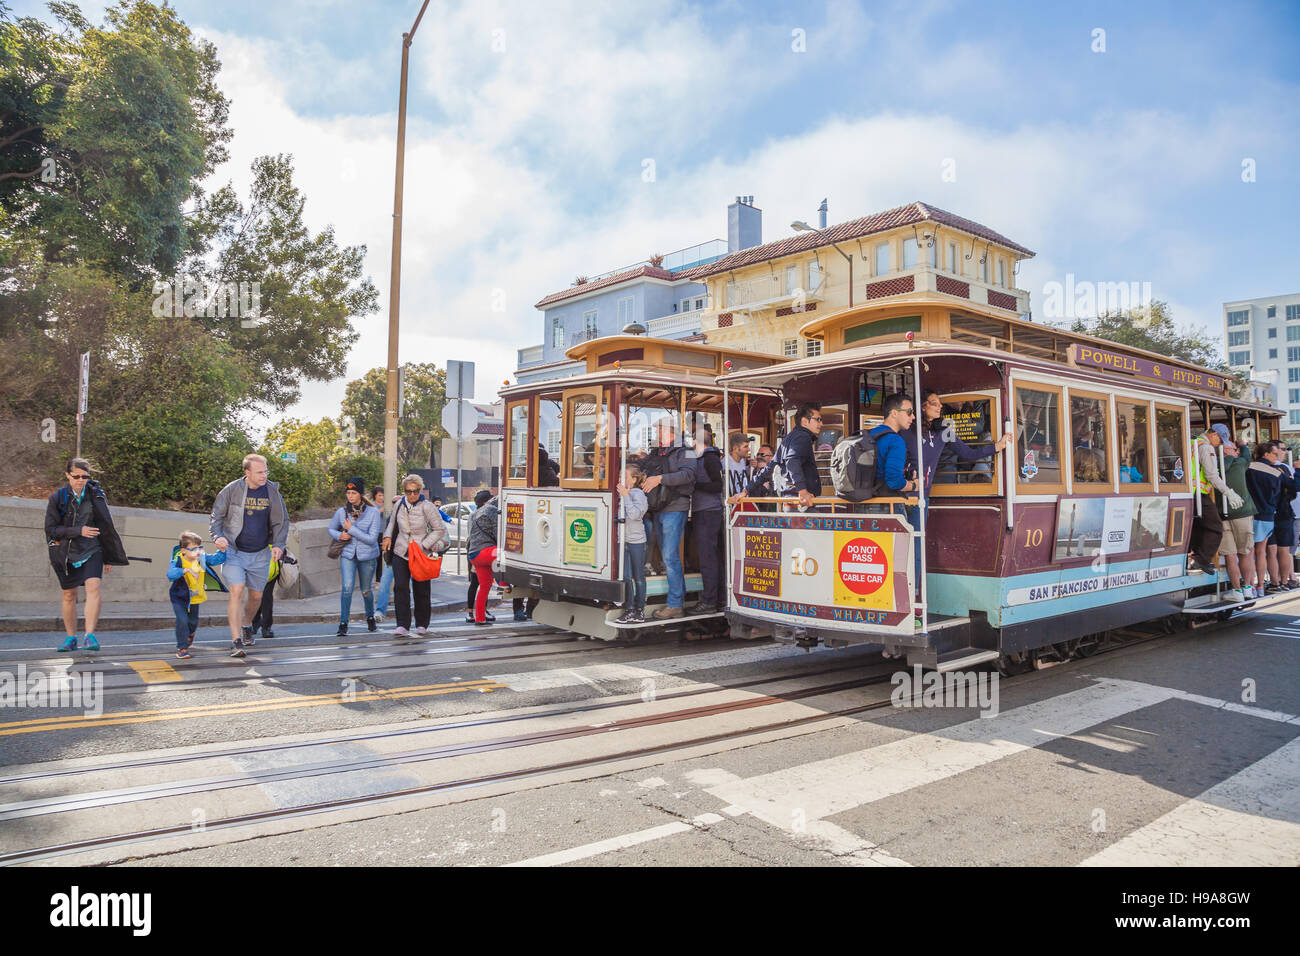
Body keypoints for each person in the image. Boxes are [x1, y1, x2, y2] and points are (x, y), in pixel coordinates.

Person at [209, 453, 289, 658]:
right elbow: (216, 517)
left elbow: (282, 521)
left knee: (256, 596)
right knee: (236, 590)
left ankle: (246, 625)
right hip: (234, 551)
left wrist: (278, 545)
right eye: (260, 472)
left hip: (261, 553)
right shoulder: (231, 490)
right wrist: (217, 536)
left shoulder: (272, 491)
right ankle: (236, 641)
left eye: (266, 471)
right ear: (247, 472)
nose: (264, 475)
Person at [48, 458, 128, 653]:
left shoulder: (96, 495)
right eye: (76, 476)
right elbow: (51, 529)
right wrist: (78, 531)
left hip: (93, 549)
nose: (81, 480)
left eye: (85, 476)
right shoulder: (57, 498)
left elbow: (106, 526)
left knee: (94, 586)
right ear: (67, 475)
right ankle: (70, 638)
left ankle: (89, 635)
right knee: (69, 595)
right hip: (66, 553)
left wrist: (109, 556)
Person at [903, 390, 1009, 497]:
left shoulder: (944, 432)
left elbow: (968, 454)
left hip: (924, 495)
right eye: (935, 403)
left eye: (940, 403)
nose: (940, 406)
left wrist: (997, 446)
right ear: (923, 407)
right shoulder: (907, 429)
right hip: (902, 493)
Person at [640, 417, 696, 620]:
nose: (656, 433)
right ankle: (675, 601)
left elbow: (689, 475)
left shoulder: (687, 449)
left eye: (658, 429)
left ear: (668, 430)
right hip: (659, 507)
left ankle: (675, 604)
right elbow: (641, 464)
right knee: (667, 557)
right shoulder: (657, 451)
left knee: (670, 557)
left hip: (675, 507)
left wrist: (659, 479)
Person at [382, 473, 447, 637]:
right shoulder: (399, 505)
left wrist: (424, 545)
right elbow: (391, 523)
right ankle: (402, 624)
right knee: (400, 587)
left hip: (420, 553)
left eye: (415, 491)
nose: (412, 495)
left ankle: (421, 623)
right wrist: (387, 537)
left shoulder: (428, 507)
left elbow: (439, 530)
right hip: (401, 551)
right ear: (404, 491)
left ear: (420, 490)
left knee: (421, 589)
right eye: (408, 491)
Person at [741, 402, 824, 508]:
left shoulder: (789, 439)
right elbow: (792, 461)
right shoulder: (803, 437)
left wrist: (746, 490)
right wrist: (802, 491)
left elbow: (769, 468)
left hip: (790, 502)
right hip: (801, 505)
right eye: (818, 419)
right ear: (805, 421)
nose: (821, 424)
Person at [329, 476, 383, 636]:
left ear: (360, 494)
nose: (350, 496)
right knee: (347, 588)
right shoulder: (342, 512)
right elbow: (331, 528)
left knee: (366, 590)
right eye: (348, 493)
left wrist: (351, 530)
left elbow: (372, 539)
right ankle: (343, 623)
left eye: (353, 493)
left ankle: (370, 618)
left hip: (368, 557)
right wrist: (340, 536)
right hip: (348, 555)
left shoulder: (373, 513)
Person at [165, 531, 227, 659]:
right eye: (193, 548)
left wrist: (222, 550)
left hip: (195, 597)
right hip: (179, 598)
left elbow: (217, 559)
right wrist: (184, 570)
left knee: (193, 622)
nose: (197, 551)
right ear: (183, 550)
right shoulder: (179, 560)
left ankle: (190, 633)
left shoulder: (201, 558)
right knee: (182, 620)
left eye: (199, 547)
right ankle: (182, 648)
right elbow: (170, 574)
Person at [688, 425, 725, 615]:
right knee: (711, 557)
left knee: (708, 558)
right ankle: (718, 598)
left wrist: (695, 484)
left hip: (708, 512)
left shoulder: (710, 459)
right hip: (707, 511)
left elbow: (718, 486)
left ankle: (710, 601)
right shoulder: (707, 458)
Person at [1188, 424, 1234, 576]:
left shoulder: (1191, 443)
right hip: (1199, 494)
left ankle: (1192, 557)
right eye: (1221, 440)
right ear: (1213, 434)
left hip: (1188, 493)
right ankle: (1201, 559)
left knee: (1196, 527)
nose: (1220, 444)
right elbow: (1212, 476)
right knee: (1215, 527)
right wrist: (1229, 493)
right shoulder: (1206, 448)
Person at [1217, 440, 1258, 602]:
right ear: (1227, 451)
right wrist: (1242, 445)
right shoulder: (1239, 464)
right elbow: (1247, 456)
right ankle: (1247, 588)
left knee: (1230, 555)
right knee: (1245, 552)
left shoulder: (1213, 467)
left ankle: (1236, 591)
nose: (1237, 452)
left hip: (1222, 515)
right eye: (1234, 450)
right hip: (1243, 513)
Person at [1245, 440, 1285, 593]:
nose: (1277, 456)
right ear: (1266, 454)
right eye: (1275, 453)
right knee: (1261, 551)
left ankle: (1249, 585)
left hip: (1251, 513)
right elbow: (1279, 494)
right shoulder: (1276, 473)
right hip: (1268, 515)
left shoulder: (1248, 468)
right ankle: (1261, 585)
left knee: (1249, 551)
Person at [615, 463, 649, 624]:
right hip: (623, 540)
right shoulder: (621, 494)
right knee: (626, 577)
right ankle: (629, 609)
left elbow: (635, 514)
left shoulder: (638, 494)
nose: (621, 479)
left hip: (636, 541)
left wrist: (626, 496)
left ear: (634, 479)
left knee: (639, 577)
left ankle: (640, 609)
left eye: (625, 477)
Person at [467, 492, 501, 627]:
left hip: (474, 555)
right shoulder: (492, 511)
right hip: (486, 551)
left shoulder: (475, 513)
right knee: (506, 553)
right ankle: (504, 582)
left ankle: (480, 618)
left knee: (485, 586)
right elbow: (498, 534)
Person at [725, 433, 752, 501]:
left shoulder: (742, 460)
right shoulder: (725, 463)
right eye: (745, 446)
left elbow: (741, 476)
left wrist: (750, 467)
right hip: (733, 503)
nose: (748, 449)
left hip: (742, 501)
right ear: (735, 448)